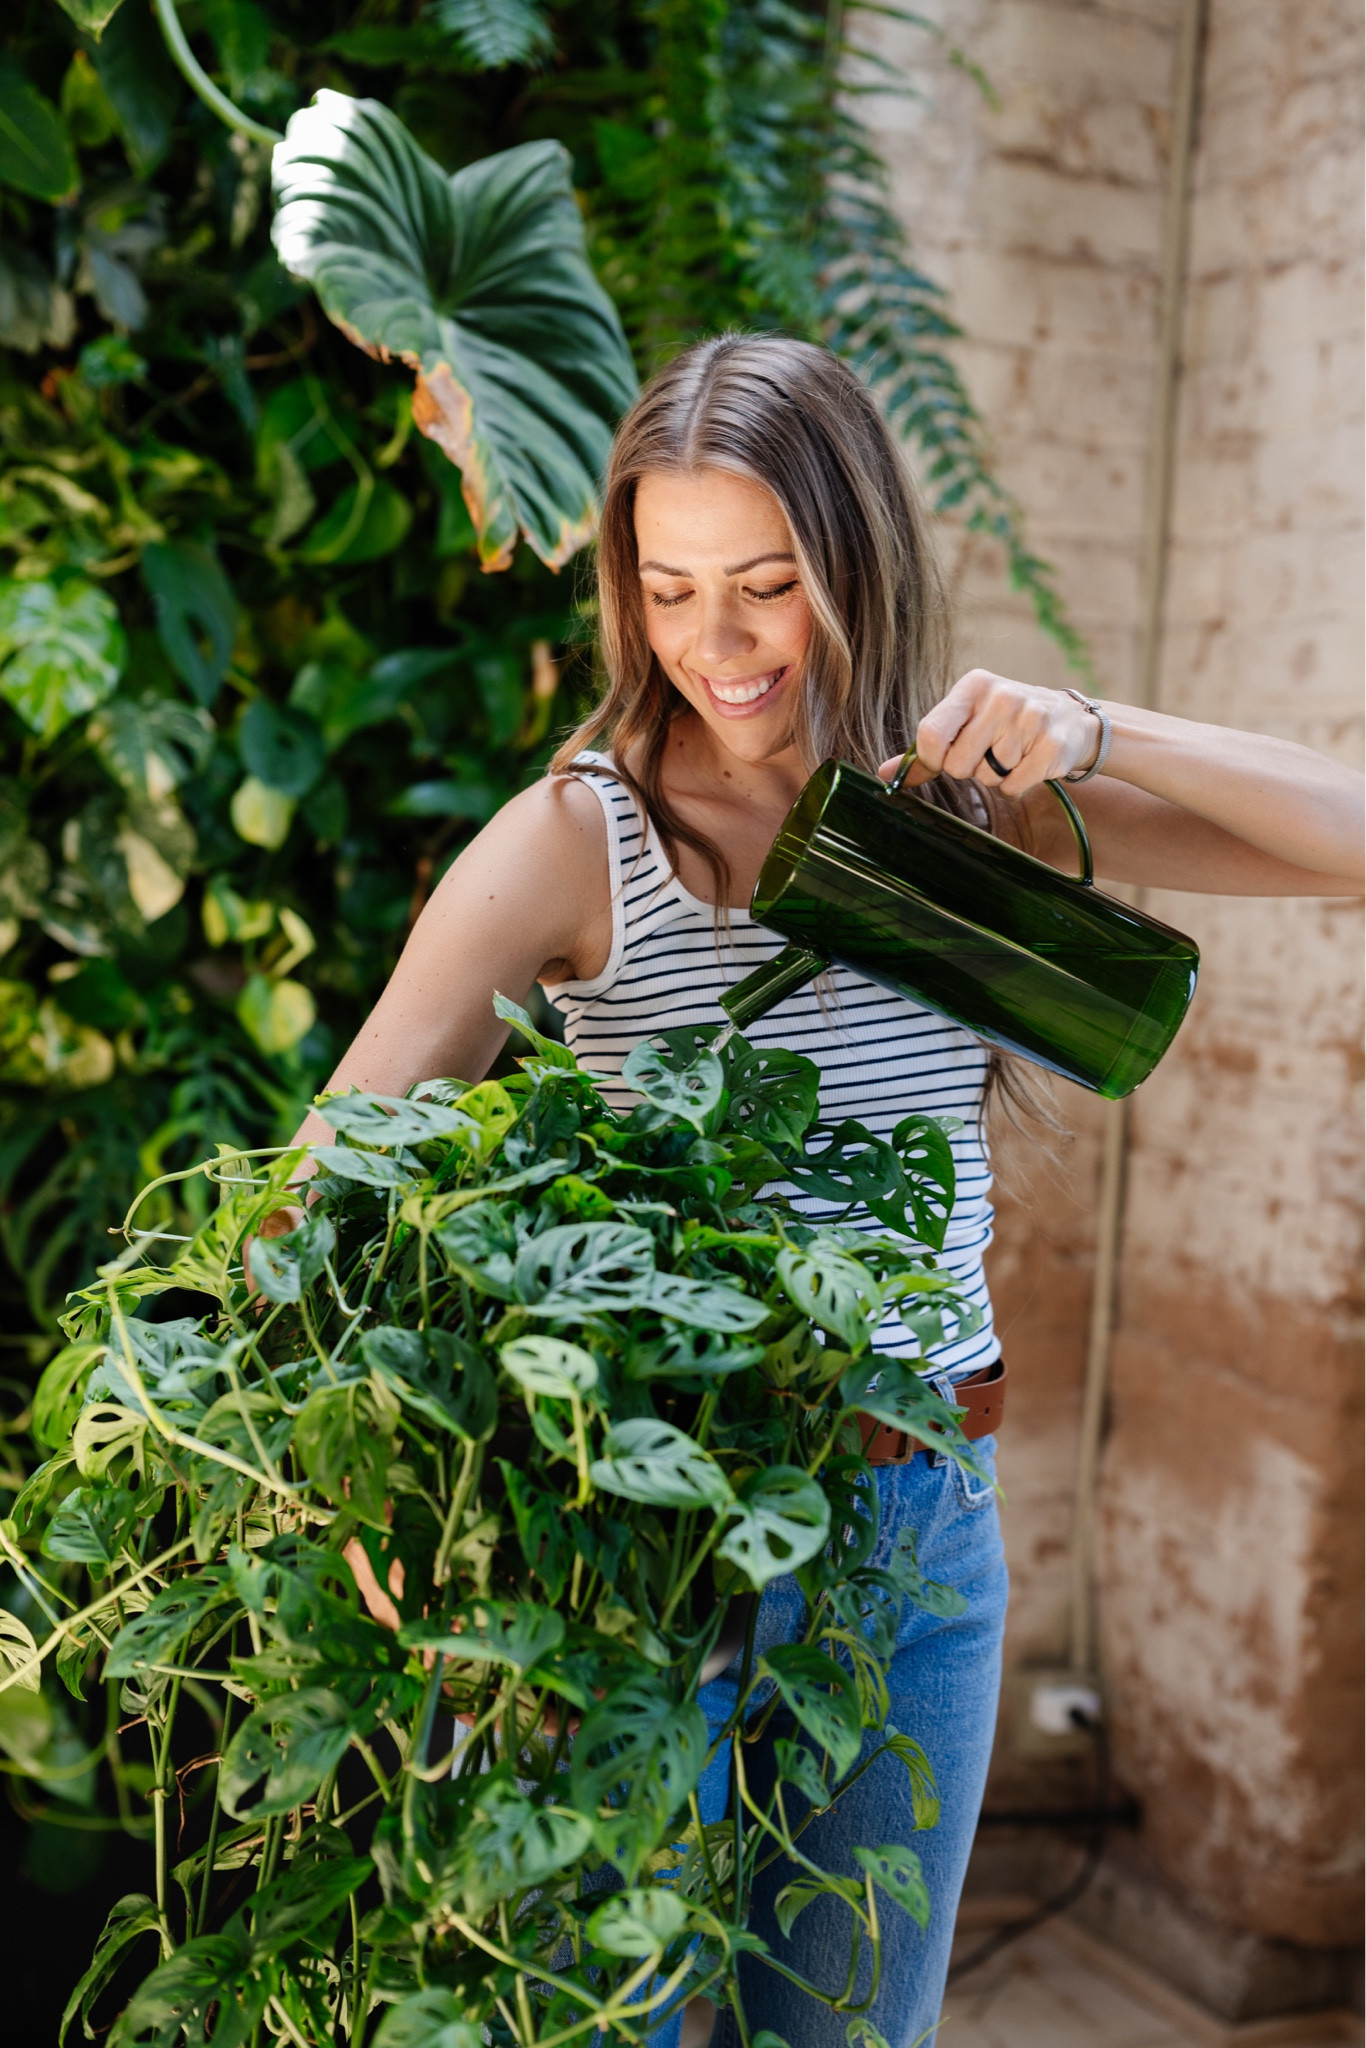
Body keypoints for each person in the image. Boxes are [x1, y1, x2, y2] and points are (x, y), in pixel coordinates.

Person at [279, 334, 1364, 2046]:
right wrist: (367, 1485)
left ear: (852, 566)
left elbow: (1354, 839)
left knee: (848, 2031)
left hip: (913, 1521)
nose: (714, 644)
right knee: (592, 2017)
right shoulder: (581, 838)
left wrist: (1086, 726)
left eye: (766, 586)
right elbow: (326, 1183)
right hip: (637, 1529)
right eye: (669, 587)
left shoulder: (953, 821)